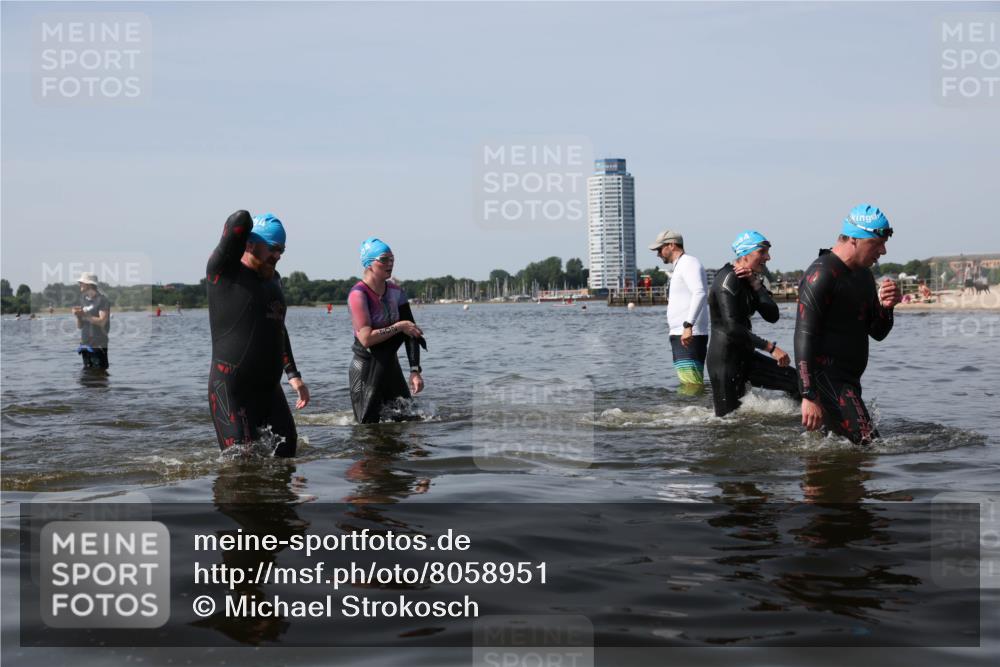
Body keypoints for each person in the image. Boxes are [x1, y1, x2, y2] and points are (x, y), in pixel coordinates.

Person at [794, 204, 901, 445]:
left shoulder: (863, 274)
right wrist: (808, 395)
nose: (883, 251)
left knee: (836, 452)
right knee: (870, 446)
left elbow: (877, 332)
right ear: (853, 239)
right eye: (876, 244)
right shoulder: (821, 274)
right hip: (827, 379)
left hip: (850, 380)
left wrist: (886, 307)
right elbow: (803, 336)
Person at [206, 210, 310, 457]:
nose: (278, 256)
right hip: (232, 389)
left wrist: (293, 374)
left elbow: (278, 329)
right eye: (274, 248)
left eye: (282, 250)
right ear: (250, 244)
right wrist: (249, 227)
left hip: (269, 389)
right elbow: (238, 221)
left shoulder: (274, 280)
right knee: (241, 466)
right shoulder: (223, 273)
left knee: (287, 456)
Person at [707, 231, 799, 417]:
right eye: (762, 252)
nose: (768, 257)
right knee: (729, 422)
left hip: (747, 357)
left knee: (798, 382)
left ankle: (800, 427)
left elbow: (772, 315)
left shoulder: (749, 278)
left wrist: (756, 285)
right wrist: (771, 348)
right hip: (725, 361)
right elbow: (732, 328)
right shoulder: (728, 279)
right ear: (745, 254)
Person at [348, 237, 427, 423]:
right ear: (368, 263)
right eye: (384, 259)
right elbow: (366, 338)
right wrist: (398, 326)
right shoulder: (358, 294)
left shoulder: (396, 292)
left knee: (411, 420)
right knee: (368, 427)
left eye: (392, 259)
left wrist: (415, 370)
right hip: (366, 368)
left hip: (390, 366)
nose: (390, 264)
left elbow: (412, 332)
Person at [649, 230, 709, 390]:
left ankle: (696, 413)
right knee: (688, 382)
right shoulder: (681, 266)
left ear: (671, 245)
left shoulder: (689, 263)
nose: (658, 254)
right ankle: (692, 411)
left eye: (659, 249)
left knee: (691, 384)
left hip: (689, 334)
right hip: (681, 334)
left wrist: (688, 326)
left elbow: (700, 292)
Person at [72, 271, 111, 369]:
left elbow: (102, 322)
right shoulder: (83, 300)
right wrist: (78, 316)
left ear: (89, 284)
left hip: (98, 345)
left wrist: (85, 315)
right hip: (85, 345)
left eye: (81, 282)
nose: (79, 284)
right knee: (86, 379)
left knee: (100, 378)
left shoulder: (102, 300)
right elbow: (79, 326)